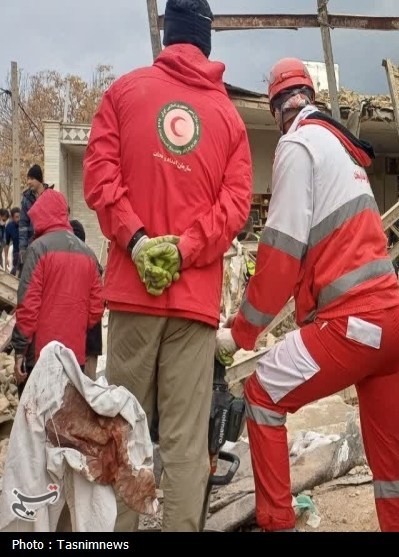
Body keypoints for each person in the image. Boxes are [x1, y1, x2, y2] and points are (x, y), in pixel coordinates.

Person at [215, 57, 399, 533]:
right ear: (309, 97)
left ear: (277, 107)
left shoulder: (297, 146)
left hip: (353, 325)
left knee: (262, 396)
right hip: (390, 326)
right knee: (389, 467)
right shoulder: (339, 151)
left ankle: (278, 524)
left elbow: (280, 258)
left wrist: (239, 334)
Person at [83, 0, 252, 532]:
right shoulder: (229, 119)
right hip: (194, 309)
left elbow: (99, 177)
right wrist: (186, 249)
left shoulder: (124, 94)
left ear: (166, 34)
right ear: (207, 42)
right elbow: (236, 206)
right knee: (182, 443)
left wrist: (136, 240)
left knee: (122, 430)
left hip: (134, 297)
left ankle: (116, 535)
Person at [11, 189, 104, 393]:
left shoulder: (38, 249)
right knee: (67, 420)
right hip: (75, 357)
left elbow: (28, 305)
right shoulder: (88, 254)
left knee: (38, 420)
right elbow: (97, 307)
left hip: (41, 358)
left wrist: (19, 350)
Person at [69, 213, 103, 380]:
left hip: (87, 340)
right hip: (85, 339)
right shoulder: (90, 257)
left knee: (87, 391)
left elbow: (97, 305)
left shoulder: (83, 260)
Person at [19, 164, 50, 270]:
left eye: (31, 178)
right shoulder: (26, 199)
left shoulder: (50, 195)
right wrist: (22, 248)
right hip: (32, 246)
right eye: (28, 179)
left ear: (39, 179)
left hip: (49, 246)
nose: (28, 182)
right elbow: (23, 225)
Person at [6, 208, 20, 276]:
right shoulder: (9, 227)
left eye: (19, 216)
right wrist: (6, 259)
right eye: (16, 217)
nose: (18, 219)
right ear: (12, 218)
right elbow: (6, 244)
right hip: (16, 253)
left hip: (26, 251)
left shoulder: (24, 224)